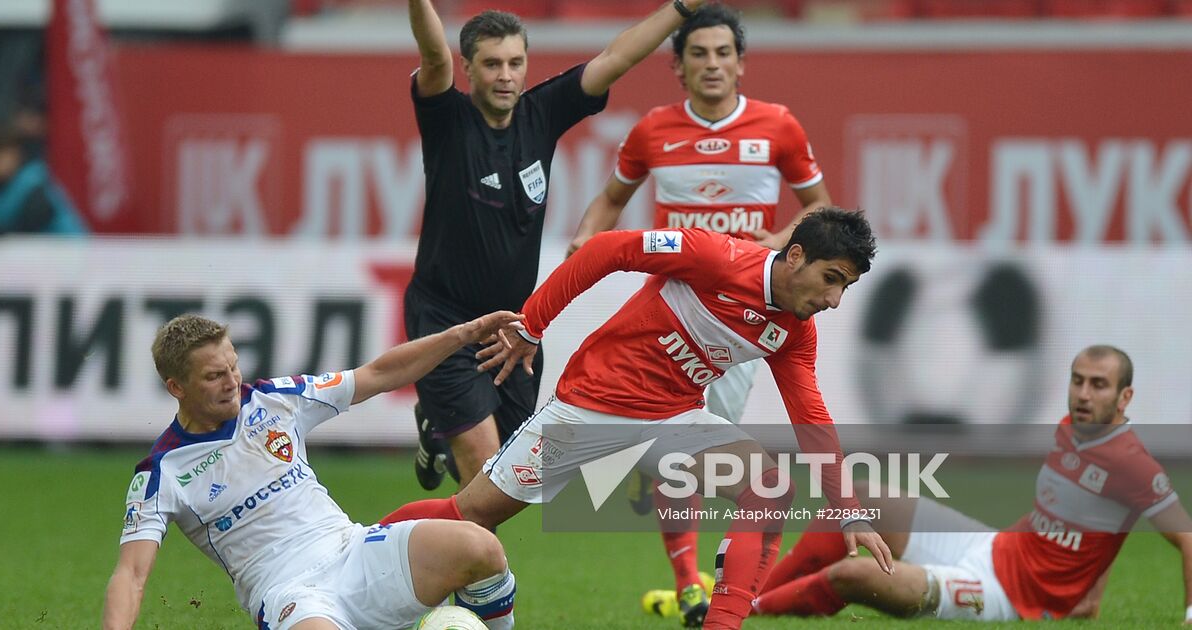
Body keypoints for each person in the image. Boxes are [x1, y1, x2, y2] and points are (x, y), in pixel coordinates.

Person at [379, 208, 895, 630]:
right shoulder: (715, 256)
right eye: (831, 279)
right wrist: (532, 325)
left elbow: (811, 415)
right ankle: (355, 545)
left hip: (674, 420)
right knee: (472, 515)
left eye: (844, 288)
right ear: (796, 256)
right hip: (589, 409)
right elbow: (607, 249)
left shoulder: (794, 331)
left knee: (768, 487)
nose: (833, 300)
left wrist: (847, 508)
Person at [564, 6, 832, 620]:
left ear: (740, 63)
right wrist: (584, 241)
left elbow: (821, 209)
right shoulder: (652, 130)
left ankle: (712, 576)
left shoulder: (779, 127)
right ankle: (692, 582)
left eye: (723, 53)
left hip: (741, 318)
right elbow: (610, 201)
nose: (712, 64)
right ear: (678, 68)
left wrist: (780, 240)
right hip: (669, 307)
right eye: (699, 54)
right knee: (679, 440)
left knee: (688, 451)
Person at [404, 0, 717, 494]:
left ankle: (436, 428)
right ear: (468, 69)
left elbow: (617, 56)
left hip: (513, 325)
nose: (505, 75)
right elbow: (434, 55)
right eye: (491, 64)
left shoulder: (541, 113)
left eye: (515, 62)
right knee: (485, 475)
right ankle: (476, 572)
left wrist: (681, 8)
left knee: (515, 480)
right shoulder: (448, 120)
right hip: (446, 322)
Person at [103, 311, 525, 630]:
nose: (232, 381)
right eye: (214, 376)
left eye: (233, 366)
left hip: (352, 550)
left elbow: (379, 374)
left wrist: (464, 334)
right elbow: (131, 574)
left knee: (482, 549)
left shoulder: (277, 400)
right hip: (290, 593)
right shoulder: (163, 472)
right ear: (176, 387)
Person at [752, 345, 1192, 623]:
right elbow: (1097, 518)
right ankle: (750, 596)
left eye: (1098, 385)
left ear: (1125, 397)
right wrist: (1091, 594)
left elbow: (1186, 537)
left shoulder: (1134, 464)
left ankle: (748, 613)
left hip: (1006, 596)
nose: (1083, 394)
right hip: (992, 548)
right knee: (860, 499)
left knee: (853, 574)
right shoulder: (1071, 428)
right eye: (1078, 381)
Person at [0, 125, 85, 236]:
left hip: (68, 247)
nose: (0, 162)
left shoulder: (33, 181)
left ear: (17, 154)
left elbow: (29, 224)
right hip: (26, 250)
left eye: (4, 155)